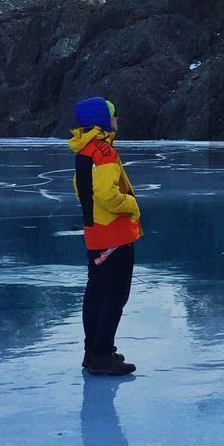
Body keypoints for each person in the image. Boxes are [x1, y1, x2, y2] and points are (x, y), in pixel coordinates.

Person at [69, 97, 142, 375]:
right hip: (115, 234)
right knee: (114, 296)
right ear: (102, 120)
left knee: (97, 292)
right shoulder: (104, 152)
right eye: (113, 114)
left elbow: (82, 190)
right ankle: (101, 355)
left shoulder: (84, 150)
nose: (117, 119)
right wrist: (132, 205)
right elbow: (107, 194)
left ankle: (95, 351)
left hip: (95, 233)